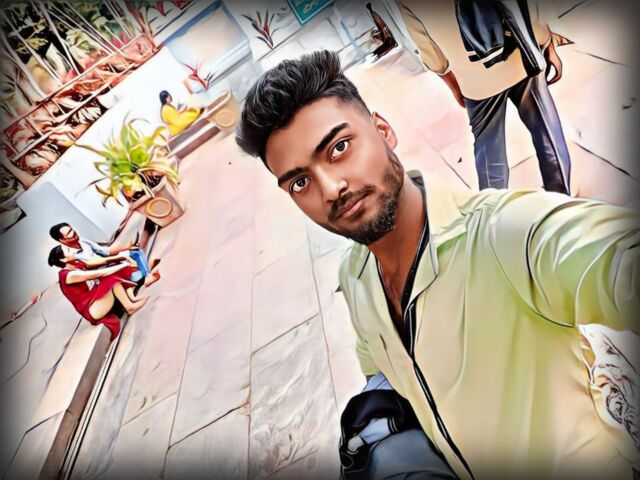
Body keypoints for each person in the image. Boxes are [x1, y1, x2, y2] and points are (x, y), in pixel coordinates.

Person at [235, 50, 639, 479]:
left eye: (339, 148)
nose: (331, 188)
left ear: (383, 130)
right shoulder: (356, 278)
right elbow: (382, 374)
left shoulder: (507, 235)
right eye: (300, 182)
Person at [398, 1, 571, 194]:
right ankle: (562, 198)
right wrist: (546, 43)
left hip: (475, 82)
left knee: (489, 154)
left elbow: (429, 49)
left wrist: (454, 85)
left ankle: (494, 208)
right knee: (546, 132)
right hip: (521, 60)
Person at [48, 246, 148, 340]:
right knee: (109, 279)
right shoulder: (68, 275)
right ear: (63, 260)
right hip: (91, 310)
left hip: (93, 299)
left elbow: (99, 262)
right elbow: (99, 273)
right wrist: (124, 265)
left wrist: (121, 257)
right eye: (69, 251)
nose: (73, 251)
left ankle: (131, 299)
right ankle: (130, 307)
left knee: (110, 274)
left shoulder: (76, 264)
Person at [49, 222, 160, 288]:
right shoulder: (68, 256)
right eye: (69, 233)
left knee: (136, 253)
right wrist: (118, 258)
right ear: (62, 240)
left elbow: (106, 251)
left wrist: (128, 247)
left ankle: (147, 275)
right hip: (104, 275)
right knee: (133, 273)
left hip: (112, 264)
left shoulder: (83, 241)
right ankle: (144, 273)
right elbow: (91, 266)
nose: (74, 232)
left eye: (72, 229)